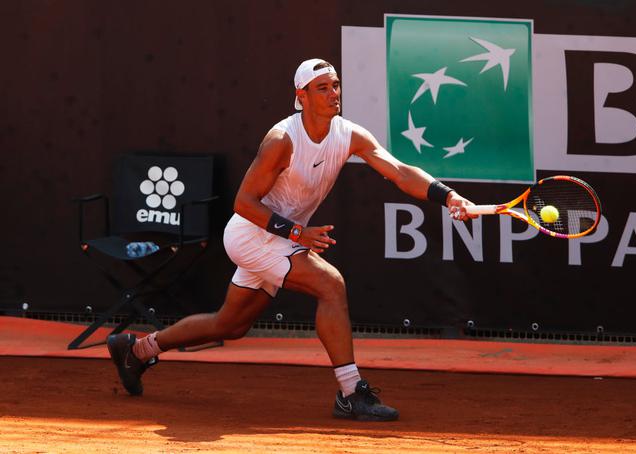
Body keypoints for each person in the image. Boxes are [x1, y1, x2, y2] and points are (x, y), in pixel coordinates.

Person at [107, 58, 476, 422]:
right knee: (330, 285)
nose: (333, 94)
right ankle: (350, 393)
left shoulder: (349, 135)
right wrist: (298, 233)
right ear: (301, 96)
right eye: (322, 88)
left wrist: (448, 196)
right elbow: (243, 203)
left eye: (335, 85)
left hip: (278, 239)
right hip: (251, 235)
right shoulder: (281, 140)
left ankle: (136, 351)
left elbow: (398, 171)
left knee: (229, 325)